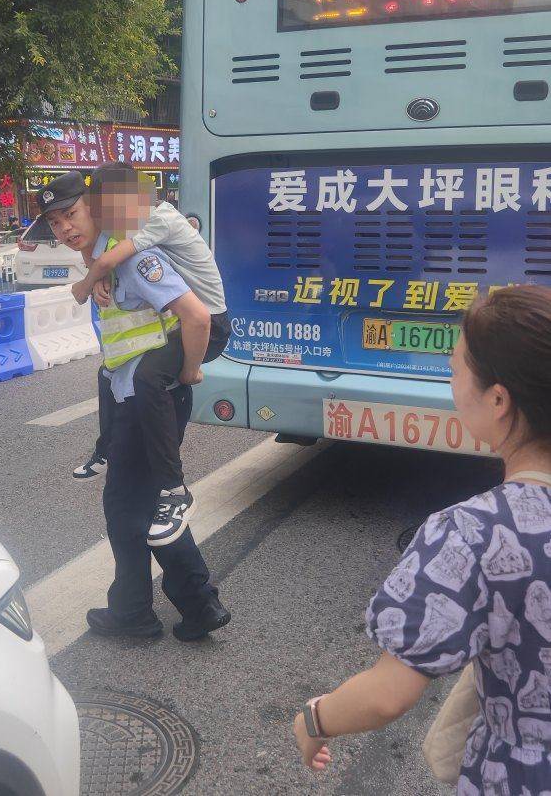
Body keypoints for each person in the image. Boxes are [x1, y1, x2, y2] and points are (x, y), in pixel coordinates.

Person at [294, 285, 551, 794]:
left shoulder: (474, 533)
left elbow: (386, 695)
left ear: (498, 399)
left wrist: (313, 720)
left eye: (456, 370)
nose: (451, 382)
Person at [43, 170, 230, 640]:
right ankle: (189, 606)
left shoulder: (134, 256)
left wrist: (188, 372)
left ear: (97, 209)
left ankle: (150, 610)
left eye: (71, 214)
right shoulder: (104, 260)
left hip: (153, 397)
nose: (65, 228)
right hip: (132, 395)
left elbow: (196, 317)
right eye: (55, 222)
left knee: (130, 504)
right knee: (134, 502)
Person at [63, 164, 231, 544]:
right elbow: (102, 253)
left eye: (74, 215)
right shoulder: (125, 229)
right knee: (109, 374)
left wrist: (87, 284)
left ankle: (176, 491)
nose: (67, 229)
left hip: (207, 325)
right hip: (183, 328)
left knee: (148, 378)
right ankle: (106, 451)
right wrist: (99, 274)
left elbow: (109, 259)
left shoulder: (157, 220)